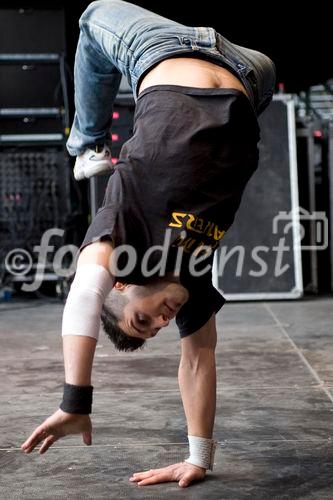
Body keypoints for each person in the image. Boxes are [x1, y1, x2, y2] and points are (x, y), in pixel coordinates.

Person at [21, 0, 276, 489]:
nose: (164, 320)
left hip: (163, 54)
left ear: (122, 282)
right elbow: (198, 357)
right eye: (159, 327)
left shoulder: (123, 234)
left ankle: (87, 143)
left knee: (92, 16)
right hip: (250, 72)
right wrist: (198, 457)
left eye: (143, 318)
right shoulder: (191, 279)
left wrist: (75, 400)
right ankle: (88, 142)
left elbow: (84, 296)